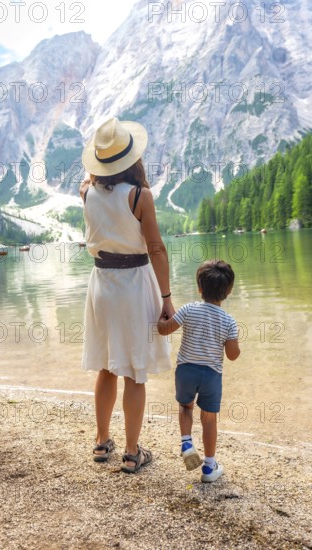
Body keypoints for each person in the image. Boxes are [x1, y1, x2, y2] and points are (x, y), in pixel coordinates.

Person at [80, 117, 175, 473]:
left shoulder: (84, 190)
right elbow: (157, 250)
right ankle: (133, 452)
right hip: (134, 283)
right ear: (131, 158)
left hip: (101, 284)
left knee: (106, 366)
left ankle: (102, 442)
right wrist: (166, 298)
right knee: (135, 371)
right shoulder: (140, 196)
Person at [157, 260, 240, 482]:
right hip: (211, 375)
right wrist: (235, 343)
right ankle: (209, 468)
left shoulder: (189, 309)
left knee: (185, 407)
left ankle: (186, 442)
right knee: (209, 419)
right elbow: (232, 355)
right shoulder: (229, 321)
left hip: (186, 371)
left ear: (199, 288)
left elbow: (165, 330)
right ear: (229, 291)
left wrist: (160, 319)